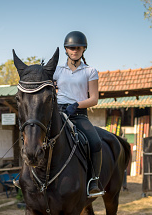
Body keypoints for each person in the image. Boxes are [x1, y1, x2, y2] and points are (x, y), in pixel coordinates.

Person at [53, 30, 103, 198]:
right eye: (71, 48)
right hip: (59, 113)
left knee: (95, 143)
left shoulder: (90, 71)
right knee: (35, 135)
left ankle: (93, 181)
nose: (74, 51)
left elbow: (94, 99)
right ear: (66, 49)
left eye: (78, 48)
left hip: (78, 114)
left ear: (83, 50)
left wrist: (75, 105)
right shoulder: (57, 71)